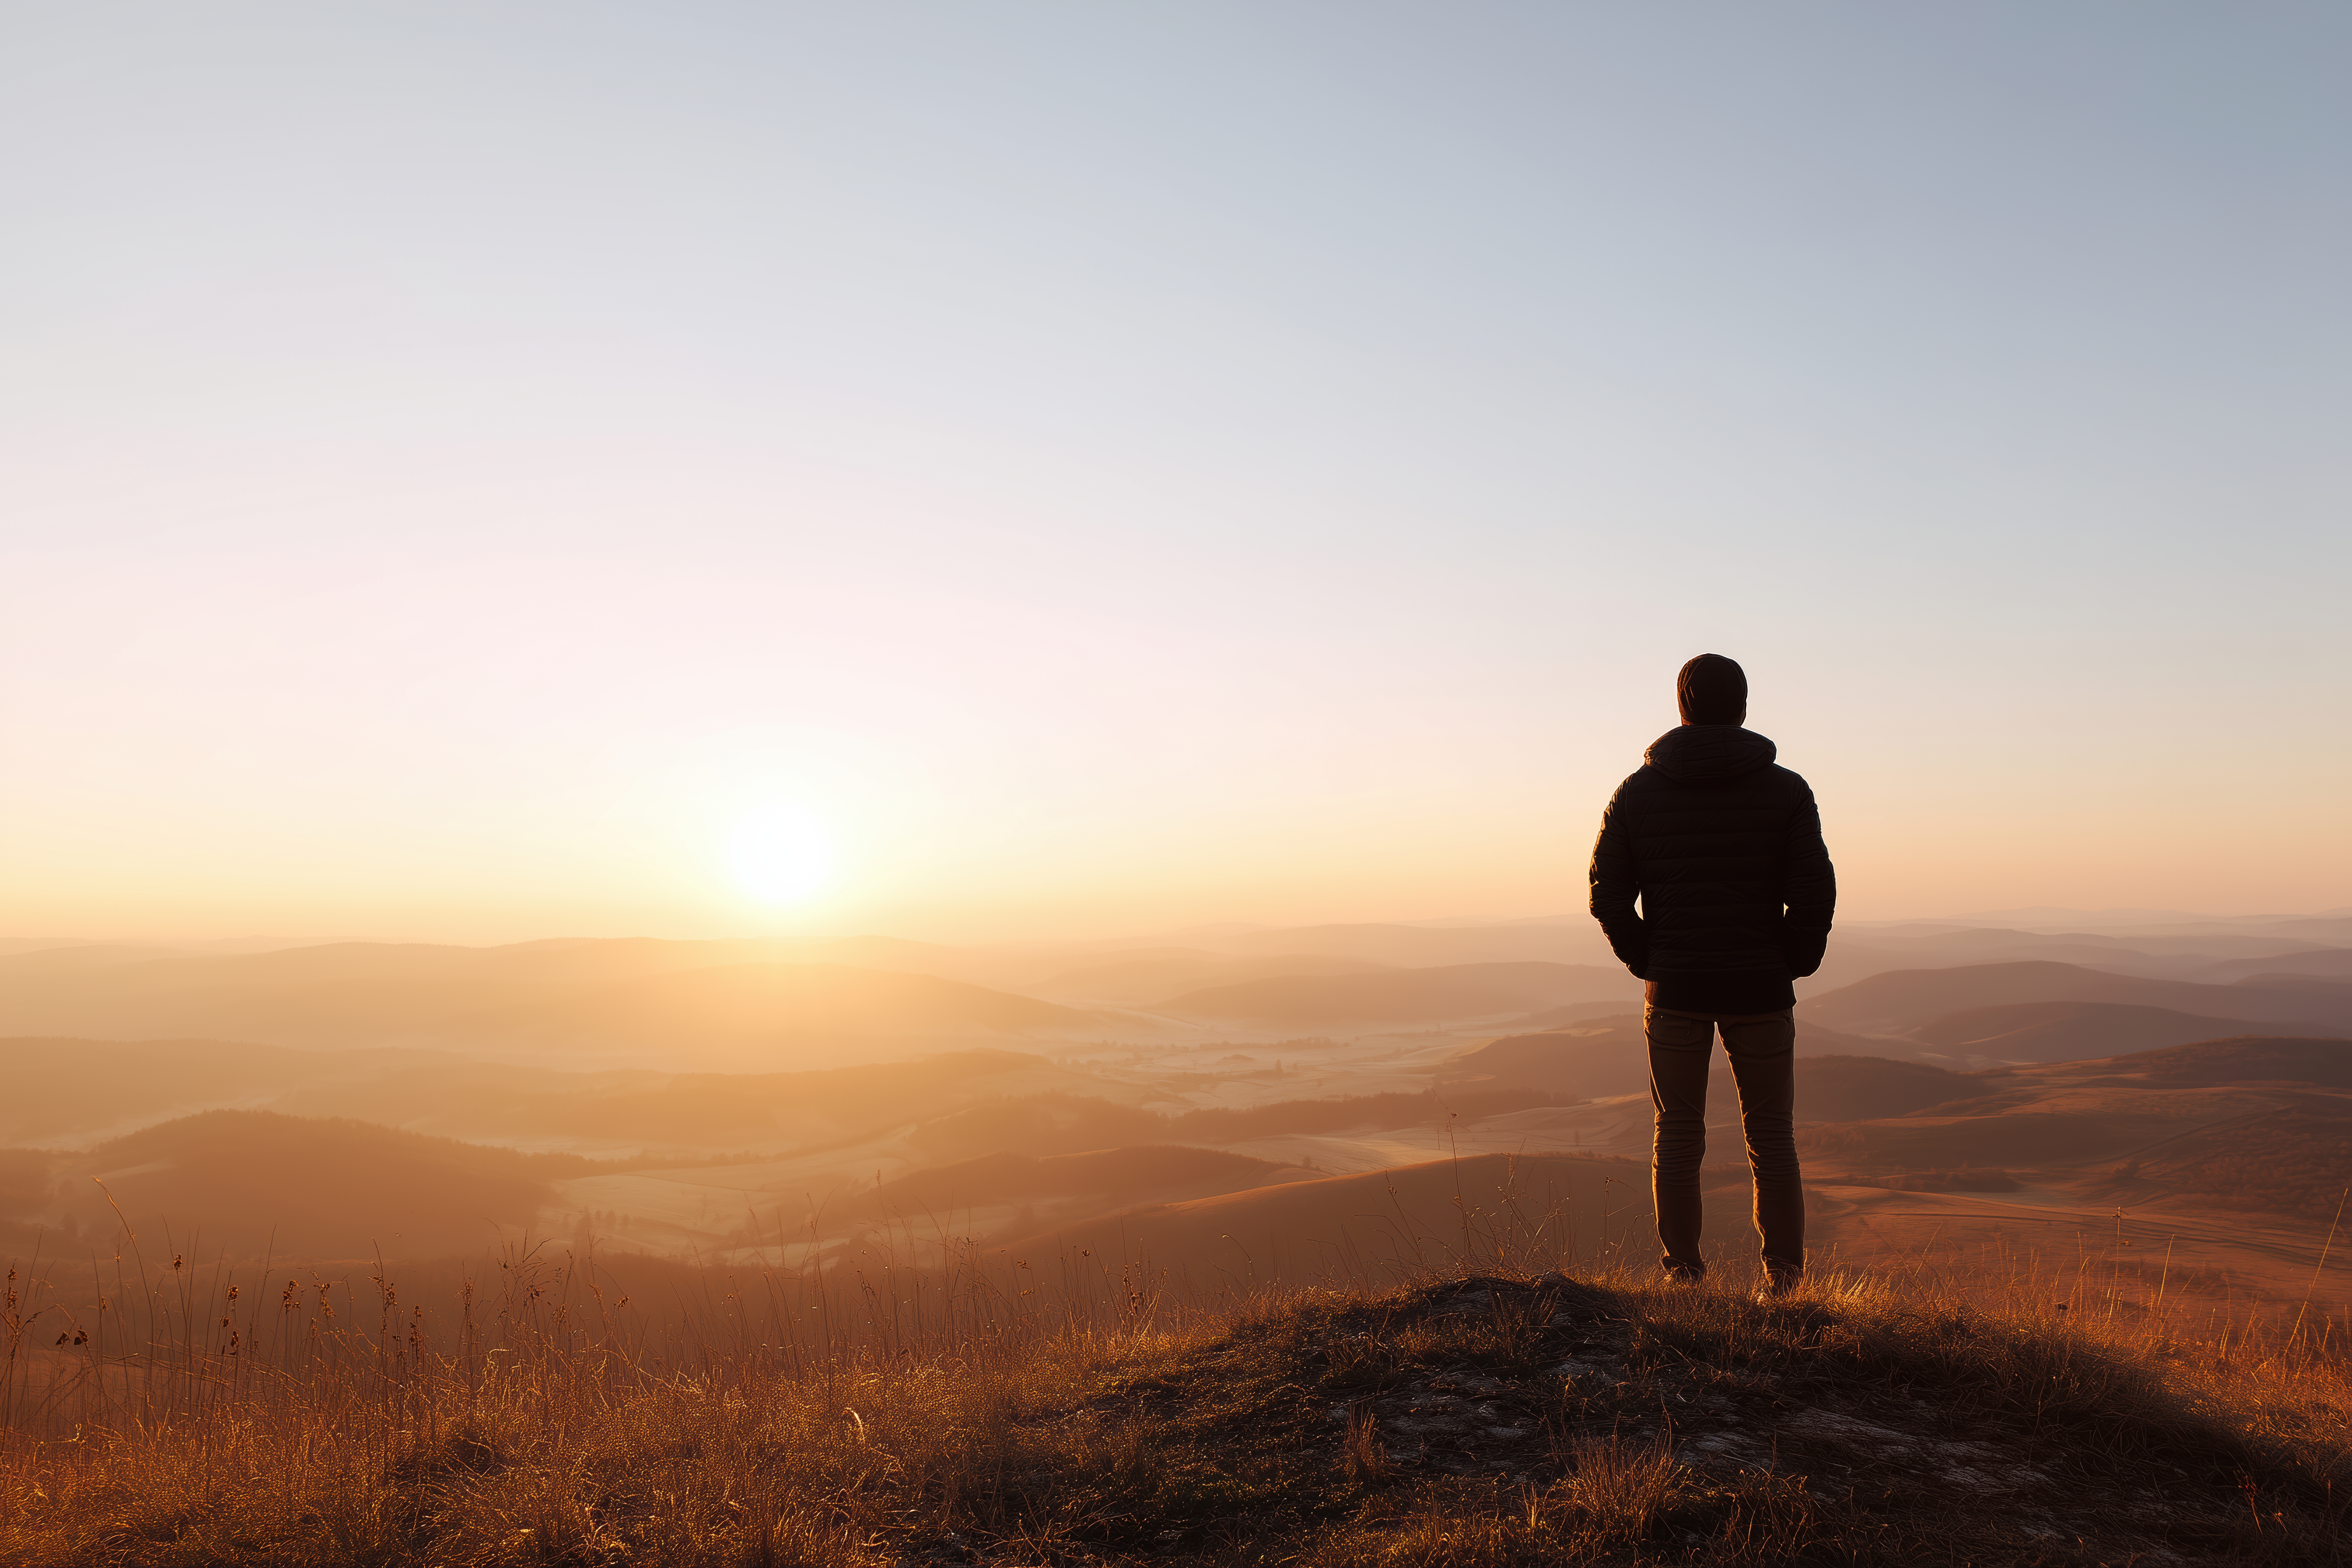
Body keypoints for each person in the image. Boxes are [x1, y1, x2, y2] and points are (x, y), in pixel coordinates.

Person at [1588, 654, 1835, 1297]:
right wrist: (1793, 960)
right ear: (1744, 707)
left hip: (1677, 989)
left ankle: (1684, 1280)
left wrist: (1650, 957)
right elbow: (1813, 891)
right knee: (1772, 1137)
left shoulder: (1637, 793)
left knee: (1676, 1136)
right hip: (1760, 986)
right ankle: (1782, 1287)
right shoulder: (1787, 790)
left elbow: (1607, 892)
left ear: (1682, 708)